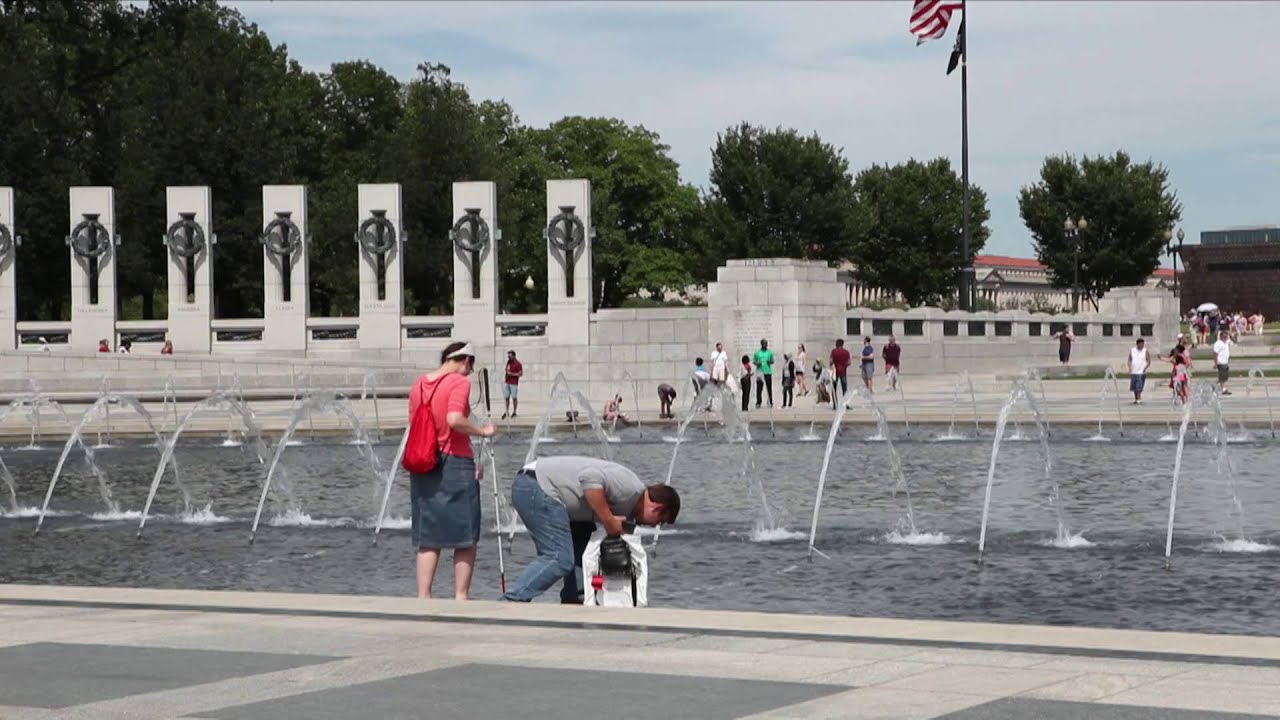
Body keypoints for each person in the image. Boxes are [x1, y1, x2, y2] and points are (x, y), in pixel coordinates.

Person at [500, 456, 680, 602]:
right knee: (559, 557)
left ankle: (576, 599)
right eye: (659, 521)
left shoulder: (632, 502)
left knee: (585, 541)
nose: (655, 526)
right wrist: (608, 520)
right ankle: (512, 601)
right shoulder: (631, 488)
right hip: (536, 486)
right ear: (656, 508)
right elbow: (589, 477)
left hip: (540, 487)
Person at [407, 341, 496, 600]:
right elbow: (454, 419)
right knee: (466, 534)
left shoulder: (418, 384)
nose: (469, 373)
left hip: (423, 462)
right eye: (470, 367)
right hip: (454, 462)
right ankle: (461, 596)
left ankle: (423, 597)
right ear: (465, 360)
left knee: (428, 536)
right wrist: (482, 431)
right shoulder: (459, 383)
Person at [1125, 338, 1151, 405]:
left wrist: (1145, 368)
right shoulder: (1132, 350)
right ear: (1137, 344)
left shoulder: (1145, 351)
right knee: (1134, 387)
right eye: (1140, 344)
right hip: (1134, 371)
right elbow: (1129, 360)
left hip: (1141, 372)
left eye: (1142, 344)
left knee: (1139, 386)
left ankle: (1139, 399)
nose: (1141, 345)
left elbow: (1148, 361)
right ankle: (1136, 399)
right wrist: (1130, 368)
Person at [752, 339, 774, 408]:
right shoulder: (757, 353)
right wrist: (757, 363)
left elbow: (772, 361)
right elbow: (754, 361)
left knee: (769, 388)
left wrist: (769, 361)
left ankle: (770, 401)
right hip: (760, 372)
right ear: (761, 344)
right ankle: (758, 402)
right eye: (764, 343)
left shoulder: (770, 353)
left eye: (766, 343)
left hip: (768, 372)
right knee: (759, 388)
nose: (765, 345)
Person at [502, 350, 523, 419]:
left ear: (513, 356)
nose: (508, 357)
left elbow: (520, 373)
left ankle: (514, 412)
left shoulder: (518, 364)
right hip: (507, 382)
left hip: (514, 383)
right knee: (506, 397)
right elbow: (507, 369)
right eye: (508, 356)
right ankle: (506, 411)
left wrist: (512, 374)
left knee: (514, 397)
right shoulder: (508, 362)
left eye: (510, 356)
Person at [829, 339, 851, 406]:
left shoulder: (834, 351)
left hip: (835, 372)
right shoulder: (846, 352)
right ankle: (846, 404)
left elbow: (831, 361)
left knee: (834, 389)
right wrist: (844, 366)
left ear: (837, 344)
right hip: (843, 371)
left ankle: (835, 404)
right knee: (845, 389)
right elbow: (849, 362)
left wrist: (833, 365)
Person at [1213, 330, 1232, 396]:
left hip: (1225, 362)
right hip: (1220, 362)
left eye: (1226, 335)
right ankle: (1223, 389)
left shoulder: (1226, 342)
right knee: (1222, 376)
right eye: (1224, 335)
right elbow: (1215, 353)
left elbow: (1232, 340)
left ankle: (1213, 386)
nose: (1226, 337)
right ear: (1221, 336)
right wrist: (1215, 363)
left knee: (1224, 377)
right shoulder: (1218, 343)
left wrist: (1230, 334)